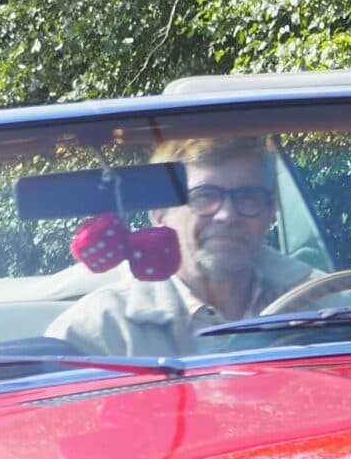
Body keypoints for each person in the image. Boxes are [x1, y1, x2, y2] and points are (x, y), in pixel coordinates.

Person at [47, 135, 317, 358]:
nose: (227, 215)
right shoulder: (101, 328)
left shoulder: (323, 305)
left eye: (248, 197)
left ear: (270, 212)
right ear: (159, 213)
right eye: (204, 196)